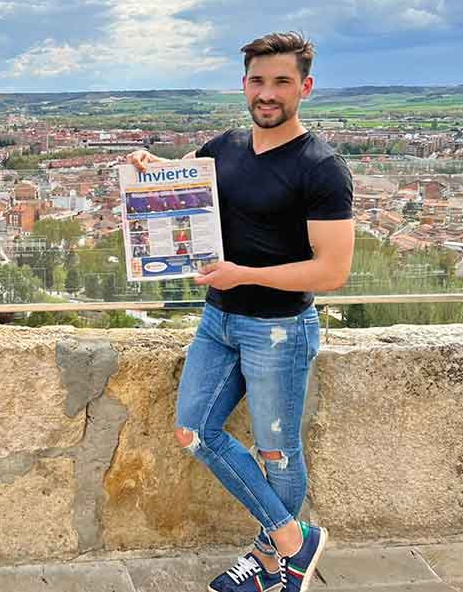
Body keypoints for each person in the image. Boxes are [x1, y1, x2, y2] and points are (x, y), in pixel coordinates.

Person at [127, 32, 354, 592]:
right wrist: (149, 165)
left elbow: (331, 271)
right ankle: (293, 541)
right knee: (194, 431)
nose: (267, 93)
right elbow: (182, 180)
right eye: (258, 80)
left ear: (305, 86)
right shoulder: (223, 147)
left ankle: (270, 564)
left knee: (277, 452)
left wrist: (244, 275)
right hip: (218, 320)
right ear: (244, 84)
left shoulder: (321, 167)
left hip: (279, 330)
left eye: (281, 81)